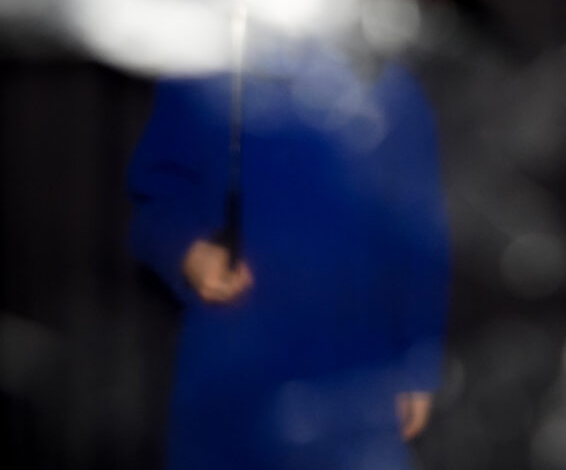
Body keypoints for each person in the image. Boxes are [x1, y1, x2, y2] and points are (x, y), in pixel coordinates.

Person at [127, 31, 451, 470]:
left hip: (358, 378)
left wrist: (417, 357)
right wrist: (188, 250)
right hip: (234, 372)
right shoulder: (207, 74)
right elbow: (154, 200)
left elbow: (419, 231)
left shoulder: (392, 88)